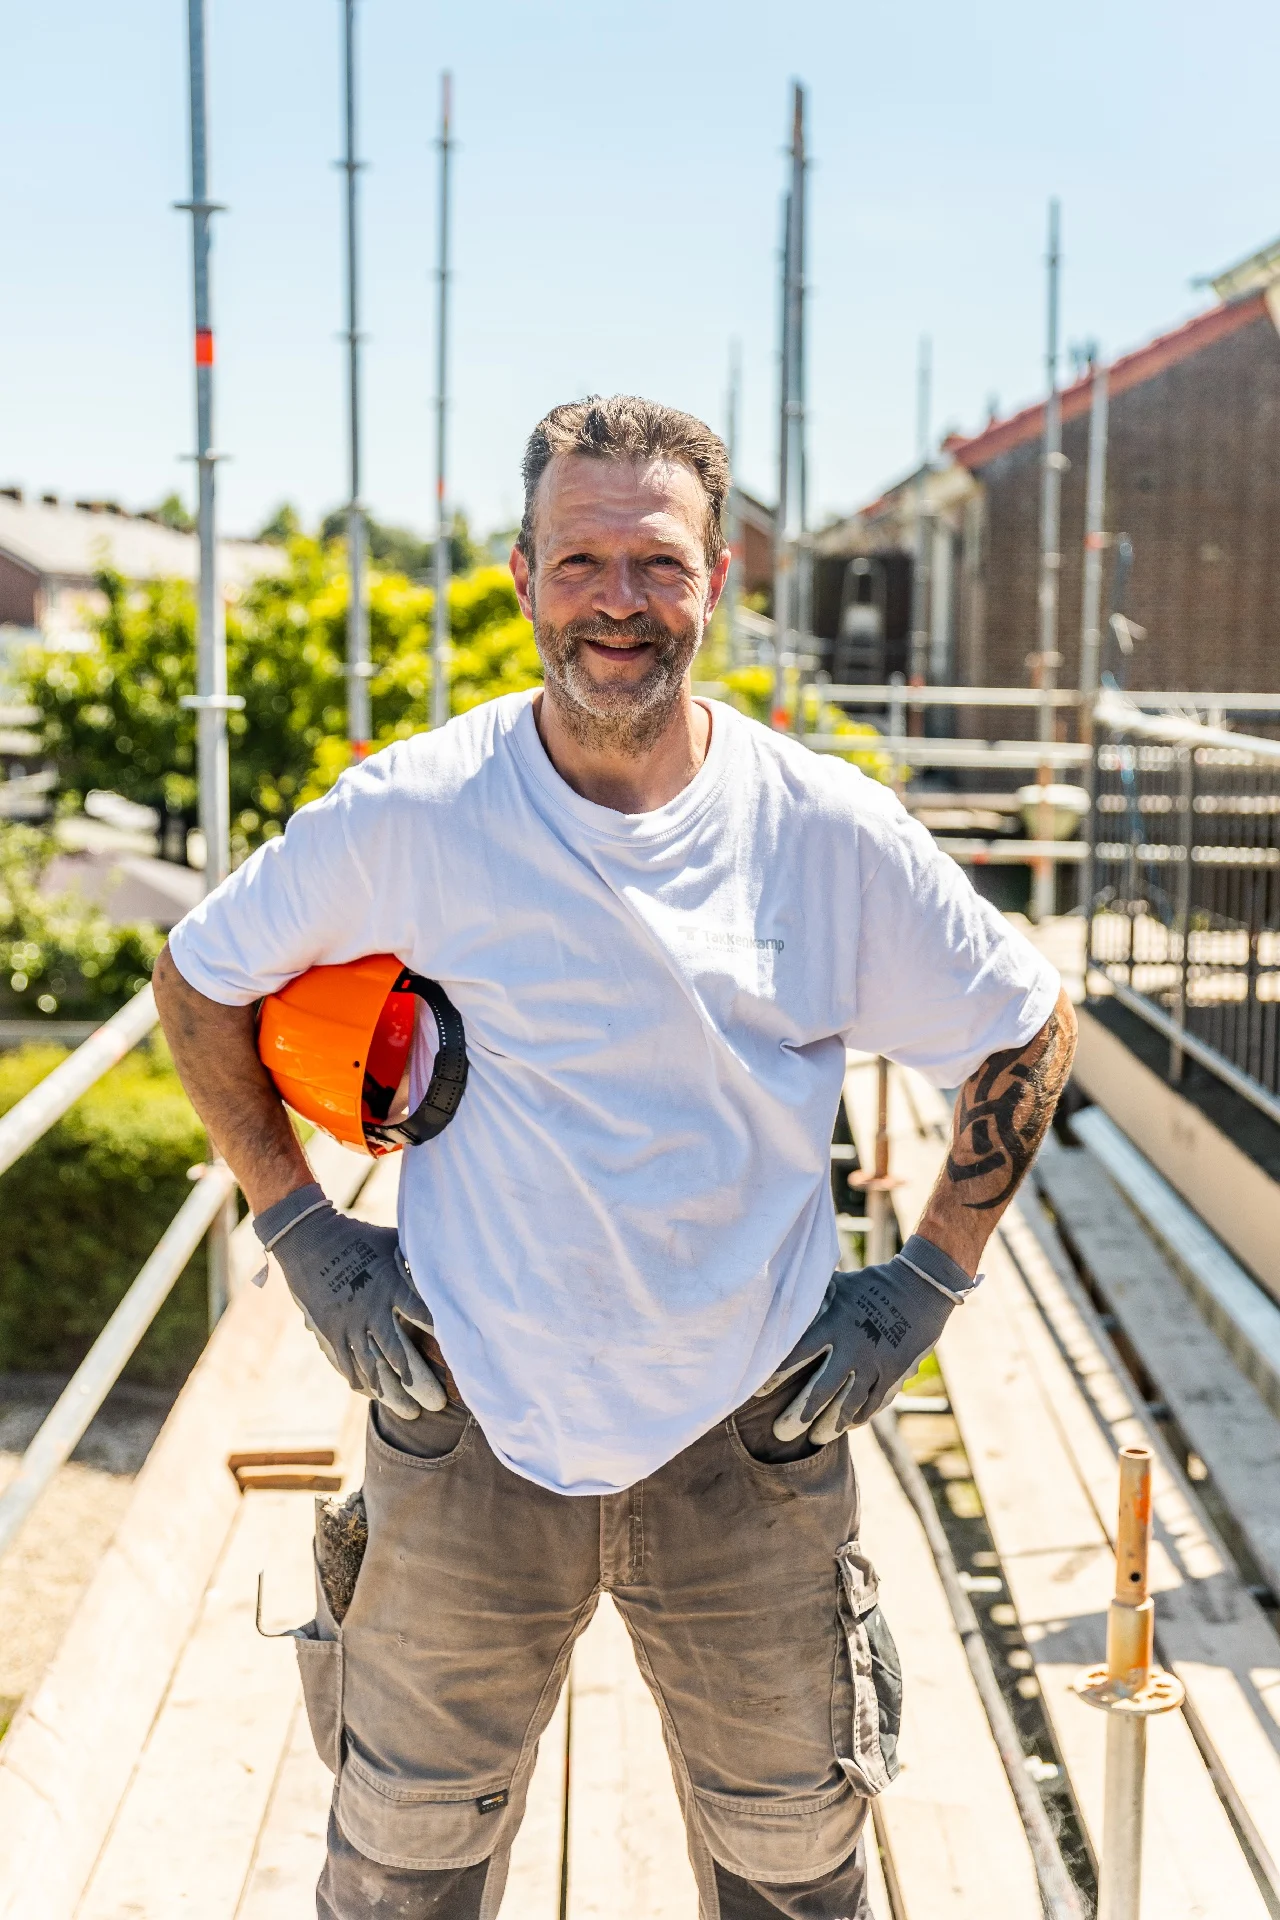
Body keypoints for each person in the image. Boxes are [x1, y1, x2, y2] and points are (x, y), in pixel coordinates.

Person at [155, 394, 1076, 1920]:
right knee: (402, 1869)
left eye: (657, 563)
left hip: (751, 1450)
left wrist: (924, 1283)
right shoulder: (417, 814)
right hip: (464, 1431)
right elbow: (200, 978)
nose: (619, 602)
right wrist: (303, 1235)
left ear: (719, 579)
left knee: (797, 1874)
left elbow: (1026, 1026)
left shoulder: (825, 834)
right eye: (582, 561)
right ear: (522, 577)